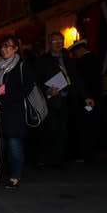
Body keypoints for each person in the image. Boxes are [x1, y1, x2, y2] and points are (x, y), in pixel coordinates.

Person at [0, 34, 35, 189]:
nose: (4, 49)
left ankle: (14, 177)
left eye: (8, 46)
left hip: (15, 113)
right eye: (2, 46)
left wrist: (4, 99)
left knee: (14, 146)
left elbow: (26, 88)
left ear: (16, 48)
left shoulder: (22, 66)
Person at [34, 32, 93, 167]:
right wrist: (47, 90)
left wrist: (86, 97)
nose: (58, 44)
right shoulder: (42, 60)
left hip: (67, 100)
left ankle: (58, 160)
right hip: (50, 101)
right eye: (55, 41)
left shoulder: (68, 60)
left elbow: (77, 80)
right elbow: (36, 81)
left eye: (60, 41)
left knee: (63, 131)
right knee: (50, 130)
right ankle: (44, 159)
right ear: (49, 43)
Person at [68, 39, 101, 163]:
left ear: (79, 50)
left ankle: (84, 154)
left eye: (74, 53)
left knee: (84, 127)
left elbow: (81, 83)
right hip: (96, 98)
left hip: (86, 100)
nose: (74, 55)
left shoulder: (82, 62)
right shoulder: (95, 59)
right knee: (92, 127)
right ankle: (91, 154)